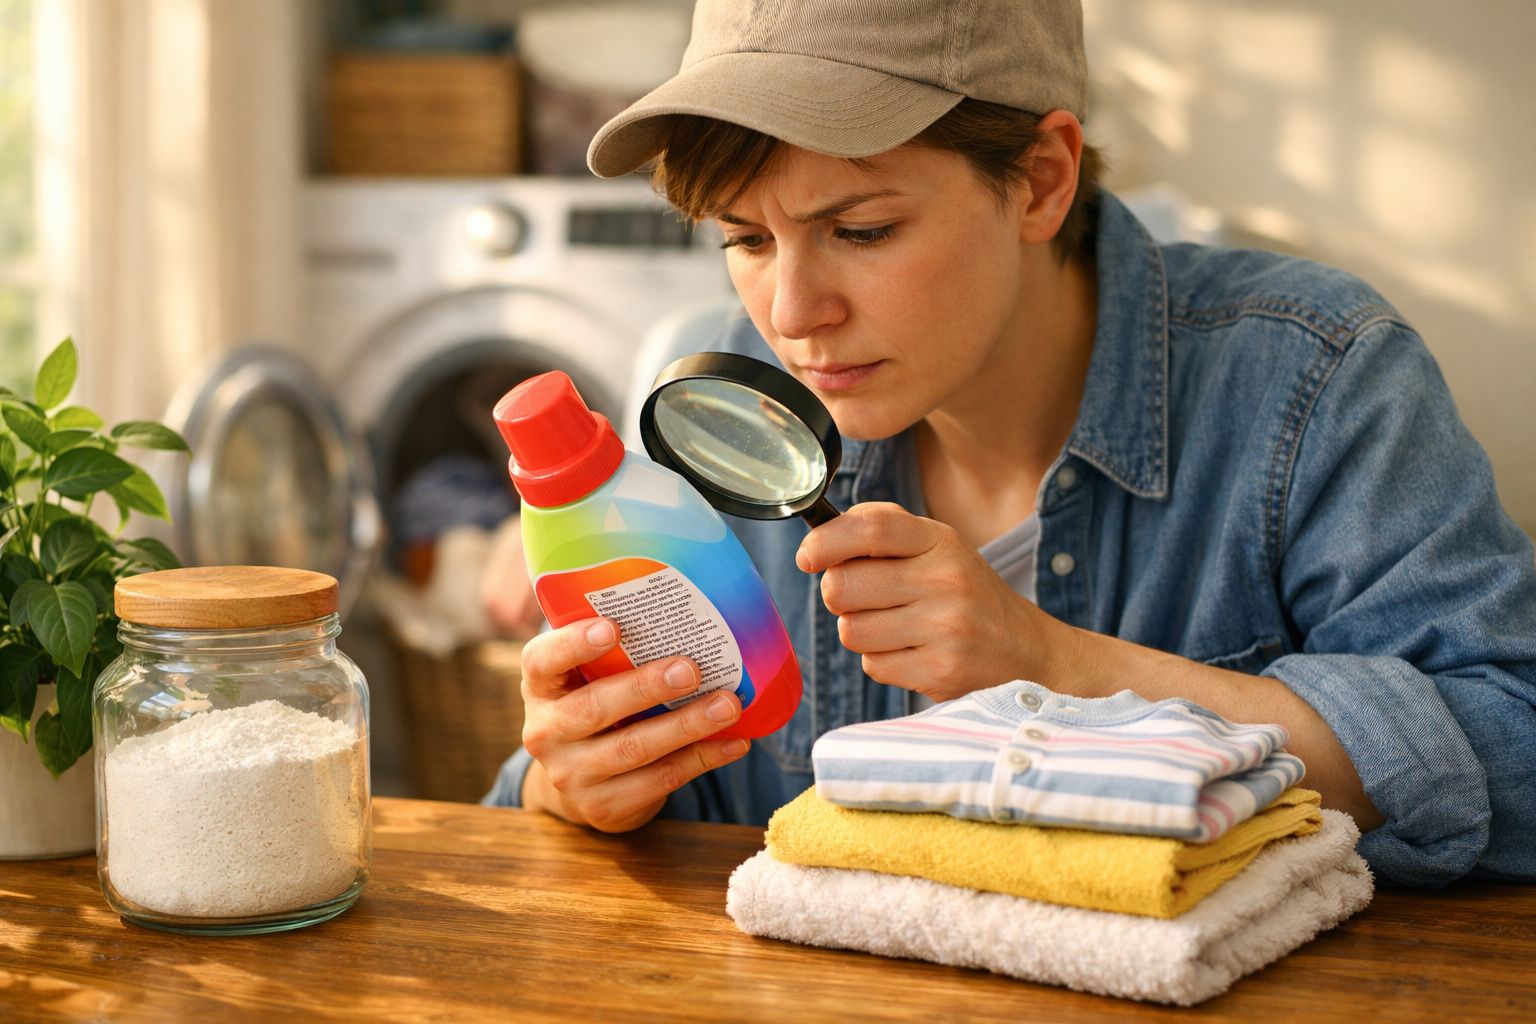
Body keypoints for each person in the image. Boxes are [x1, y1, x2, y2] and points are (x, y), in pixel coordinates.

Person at [483, 0, 1536, 885]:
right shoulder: (734, 417)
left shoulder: (1312, 378)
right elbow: (638, 808)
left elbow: (1514, 750)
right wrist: (571, 786)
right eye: (746, 238)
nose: (793, 314)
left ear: (1041, 179)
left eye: (860, 230)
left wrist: (1056, 665)